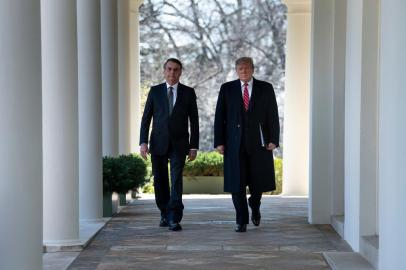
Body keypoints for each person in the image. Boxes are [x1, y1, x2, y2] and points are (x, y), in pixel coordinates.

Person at [214, 57, 280, 232]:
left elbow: (272, 114)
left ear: (253, 69)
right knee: (237, 183)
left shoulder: (266, 88)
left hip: (259, 143)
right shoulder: (226, 89)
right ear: (236, 70)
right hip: (233, 144)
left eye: (247, 68)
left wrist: (274, 139)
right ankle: (241, 220)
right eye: (240, 69)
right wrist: (219, 141)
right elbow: (219, 117)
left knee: (257, 182)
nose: (243, 71)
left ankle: (255, 205)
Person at [140, 58, 199, 231]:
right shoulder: (155, 91)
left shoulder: (188, 92)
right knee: (160, 181)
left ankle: (174, 217)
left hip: (180, 144)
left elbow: (194, 121)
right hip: (158, 142)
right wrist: (143, 142)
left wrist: (193, 146)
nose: (172, 73)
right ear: (164, 71)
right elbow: (146, 119)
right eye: (169, 69)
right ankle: (164, 212)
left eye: (176, 70)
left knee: (176, 181)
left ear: (180, 72)